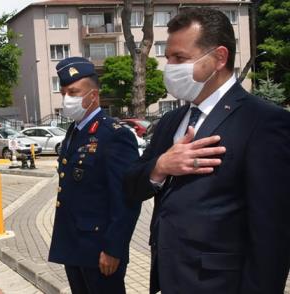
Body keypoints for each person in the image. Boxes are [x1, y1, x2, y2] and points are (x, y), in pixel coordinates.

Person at [123, 8, 290, 294]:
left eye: (180, 58)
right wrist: (160, 167)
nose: (169, 68)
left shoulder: (263, 122)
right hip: (169, 279)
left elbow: (272, 236)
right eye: (168, 58)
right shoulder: (170, 122)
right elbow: (131, 187)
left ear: (219, 57)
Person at [47, 56, 141, 294]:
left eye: (74, 92)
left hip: (100, 250)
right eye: (64, 93)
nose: (67, 98)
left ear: (93, 95)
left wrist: (114, 249)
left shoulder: (114, 135)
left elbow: (127, 199)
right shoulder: (74, 131)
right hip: (74, 245)